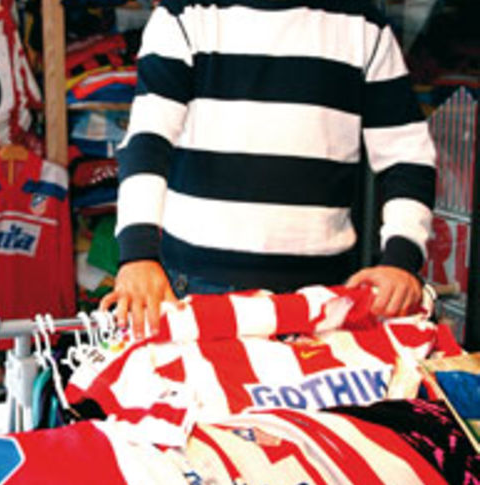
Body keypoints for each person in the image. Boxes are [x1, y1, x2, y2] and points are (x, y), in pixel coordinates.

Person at [99, 0, 436, 339]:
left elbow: (405, 152)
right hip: (200, 283)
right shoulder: (185, 16)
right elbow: (147, 142)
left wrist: (401, 259)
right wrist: (137, 254)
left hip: (323, 293)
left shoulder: (363, 25)